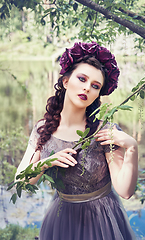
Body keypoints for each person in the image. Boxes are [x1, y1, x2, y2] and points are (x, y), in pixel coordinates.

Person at [16, 42, 138, 240]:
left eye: (95, 86)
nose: (87, 88)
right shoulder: (42, 130)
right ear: (65, 81)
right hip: (61, 219)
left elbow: (125, 191)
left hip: (102, 220)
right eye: (82, 79)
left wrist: (132, 147)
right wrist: (46, 163)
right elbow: (20, 181)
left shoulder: (103, 131)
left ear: (98, 93)